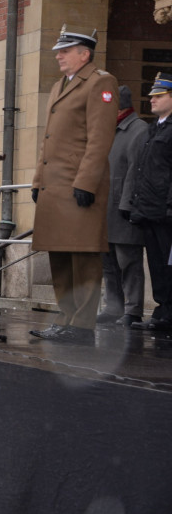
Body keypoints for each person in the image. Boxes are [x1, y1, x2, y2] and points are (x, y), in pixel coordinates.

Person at [29, 27, 118, 342]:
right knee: (60, 256)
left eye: (65, 51)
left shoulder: (100, 83)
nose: (58, 55)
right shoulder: (59, 86)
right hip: (55, 187)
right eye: (58, 50)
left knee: (83, 257)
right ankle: (66, 319)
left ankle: (81, 326)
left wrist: (87, 182)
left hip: (79, 186)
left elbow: (100, 137)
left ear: (85, 53)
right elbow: (48, 139)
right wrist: (38, 179)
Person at [125, 73, 172, 332]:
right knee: (156, 263)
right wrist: (136, 204)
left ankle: (168, 313)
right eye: (152, 96)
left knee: (168, 263)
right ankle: (162, 311)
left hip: (166, 211)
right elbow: (143, 170)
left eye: (159, 96)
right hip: (150, 209)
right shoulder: (154, 128)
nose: (152, 100)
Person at [100, 85, 149, 326]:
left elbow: (135, 171)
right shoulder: (110, 129)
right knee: (108, 263)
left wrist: (127, 203)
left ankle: (133, 309)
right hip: (104, 209)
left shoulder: (138, 130)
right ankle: (113, 307)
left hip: (123, 209)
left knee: (128, 261)